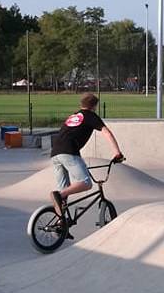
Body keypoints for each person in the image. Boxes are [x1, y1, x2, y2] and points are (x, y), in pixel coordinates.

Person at [49, 93, 123, 233]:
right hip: (69, 152)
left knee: (64, 192)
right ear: (95, 106)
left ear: (81, 104)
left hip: (55, 153)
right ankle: (58, 195)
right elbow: (107, 132)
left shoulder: (74, 116)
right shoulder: (90, 115)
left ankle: (61, 224)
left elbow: (68, 134)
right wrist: (117, 153)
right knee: (85, 183)